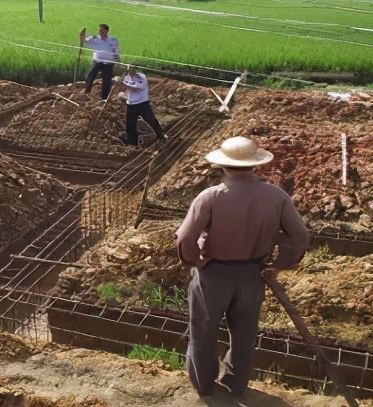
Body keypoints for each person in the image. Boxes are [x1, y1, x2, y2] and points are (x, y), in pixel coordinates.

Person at [175, 136, 309, 399]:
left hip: (213, 274)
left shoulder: (210, 197)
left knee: (203, 332)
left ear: (223, 166)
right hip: (253, 274)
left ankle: (205, 387)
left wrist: (195, 260)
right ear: (255, 165)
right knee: (245, 335)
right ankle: (236, 385)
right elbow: (300, 238)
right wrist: (280, 264)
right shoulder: (276, 196)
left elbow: (184, 239)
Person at [120, 65, 166, 146]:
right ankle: (132, 142)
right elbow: (126, 87)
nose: (130, 72)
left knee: (151, 120)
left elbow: (136, 88)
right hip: (131, 104)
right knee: (130, 124)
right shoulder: (127, 77)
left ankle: (161, 134)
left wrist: (122, 82)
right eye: (129, 70)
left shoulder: (142, 77)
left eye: (132, 70)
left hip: (143, 103)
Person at [81, 24, 120, 100]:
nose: (101, 32)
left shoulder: (113, 40)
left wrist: (116, 58)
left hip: (109, 62)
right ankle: (87, 92)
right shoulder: (95, 38)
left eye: (102, 30)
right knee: (91, 75)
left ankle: (104, 97)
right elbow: (84, 40)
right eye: (100, 30)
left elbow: (116, 51)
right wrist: (82, 35)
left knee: (107, 79)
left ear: (106, 31)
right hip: (98, 60)